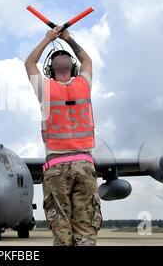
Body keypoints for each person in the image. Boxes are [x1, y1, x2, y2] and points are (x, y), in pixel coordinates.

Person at [24, 26, 102, 246]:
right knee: (85, 227)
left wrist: (48, 39)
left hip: (56, 167)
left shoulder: (45, 89)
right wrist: (67, 39)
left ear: (49, 70)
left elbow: (29, 63)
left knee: (61, 227)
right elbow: (86, 59)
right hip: (84, 164)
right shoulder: (83, 85)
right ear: (75, 68)